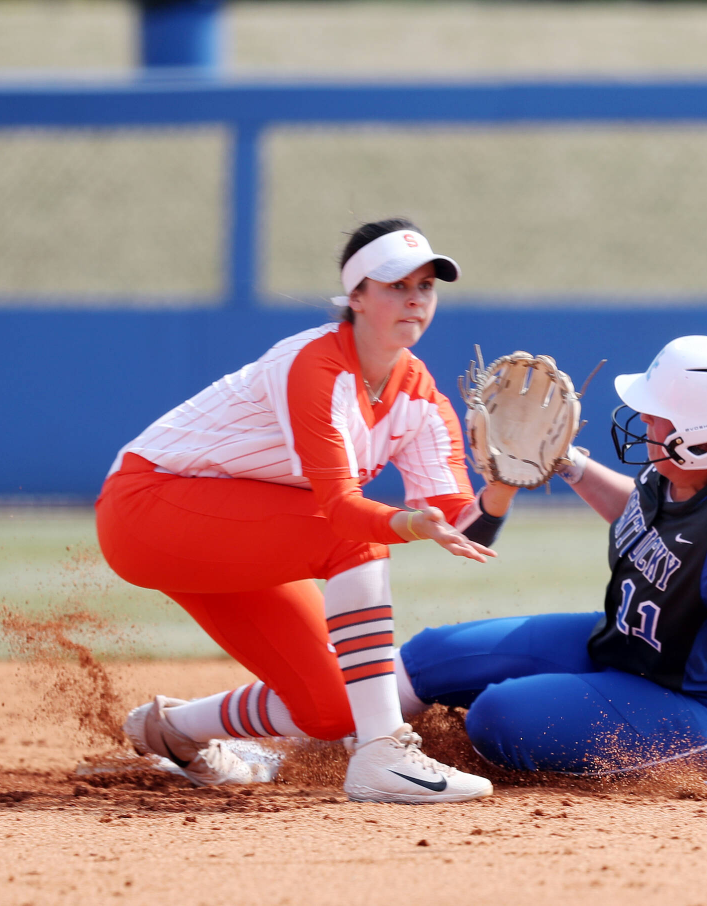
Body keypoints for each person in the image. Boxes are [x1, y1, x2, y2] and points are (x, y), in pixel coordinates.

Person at [97, 218, 517, 802]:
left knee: (331, 708)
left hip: (230, 534)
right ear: (356, 298)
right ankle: (382, 753)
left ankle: (171, 730)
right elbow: (343, 513)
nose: (415, 298)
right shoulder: (313, 364)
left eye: (427, 286)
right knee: (351, 539)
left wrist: (503, 485)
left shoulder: (422, 397)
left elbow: (457, 527)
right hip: (149, 506)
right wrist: (405, 524)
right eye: (396, 284)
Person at [393, 336, 707, 793]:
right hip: (628, 647)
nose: (644, 419)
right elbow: (637, 511)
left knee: (498, 717)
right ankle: (342, 735)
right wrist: (568, 463)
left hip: (704, 711)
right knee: (427, 658)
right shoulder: (677, 475)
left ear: (703, 435)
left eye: (658, 414)